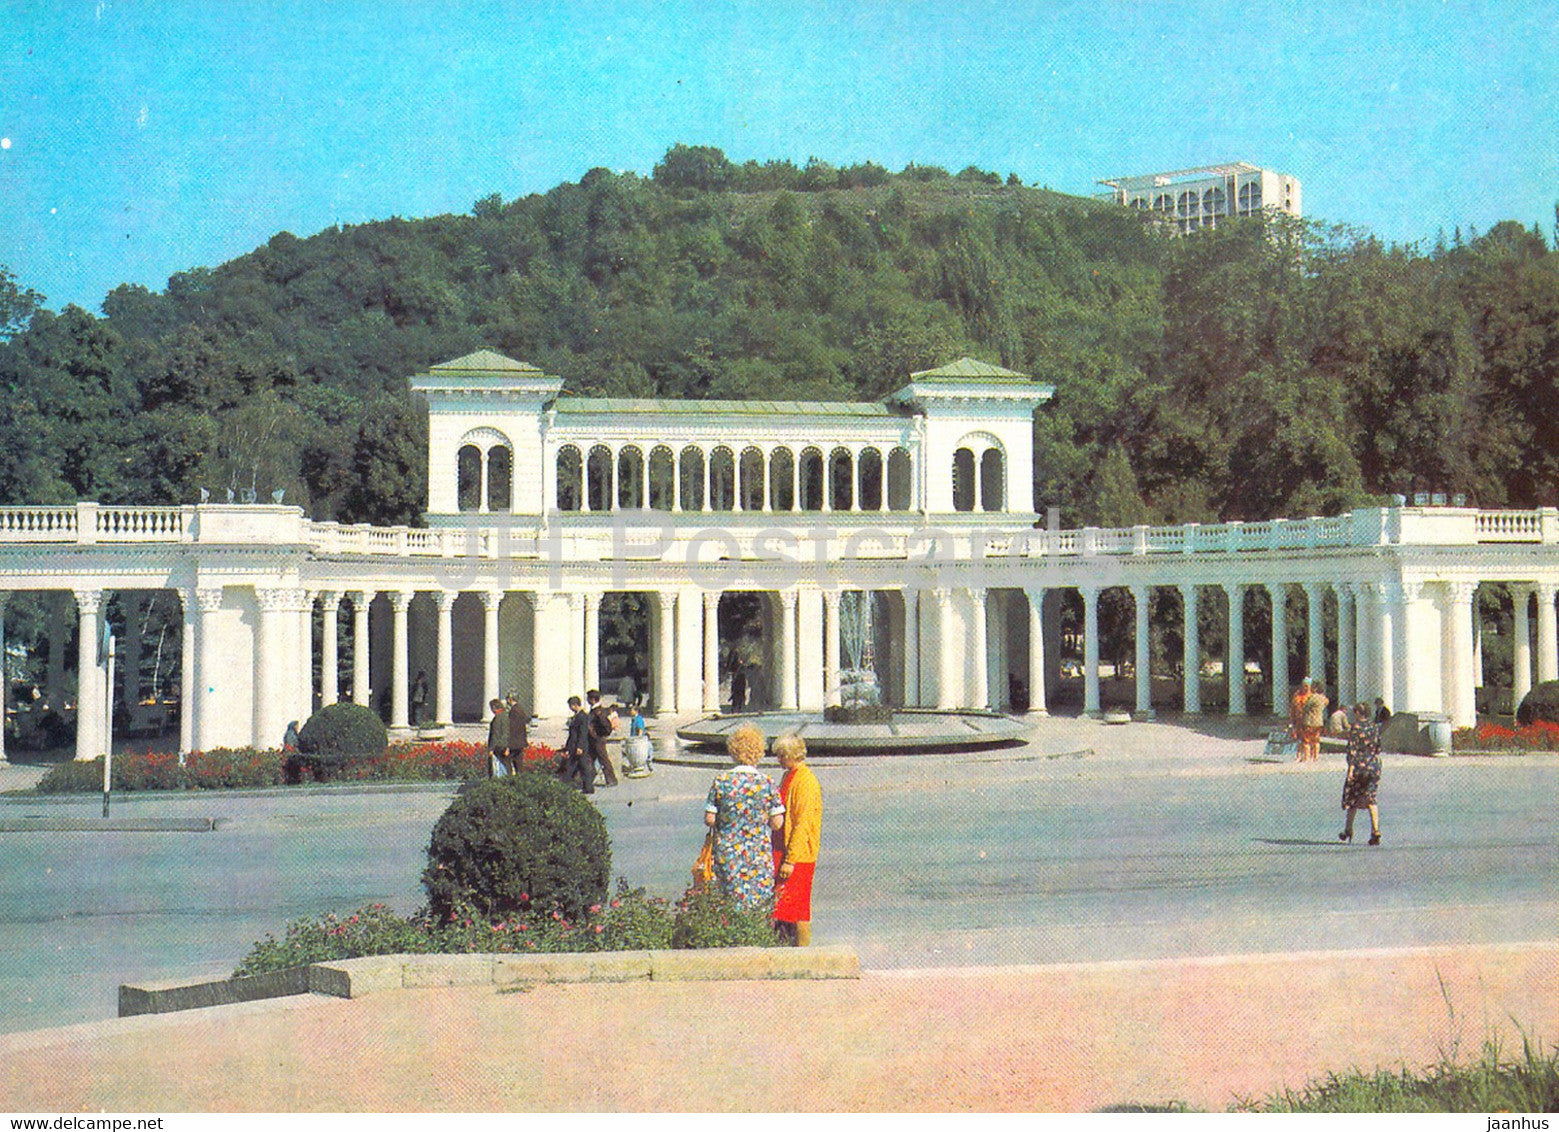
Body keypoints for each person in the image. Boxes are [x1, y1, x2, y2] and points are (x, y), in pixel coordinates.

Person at [703, 724, 785, 911]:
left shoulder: (721, 780)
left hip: (727, 852)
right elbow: (777, 823)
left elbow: (709, 819)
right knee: (757, 904)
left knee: (728, 903)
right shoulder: (767, 782)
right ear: (759, 751)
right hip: (758, 855)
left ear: (733, 750)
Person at [771, 732, 821, 947]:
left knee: (798, 911)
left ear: (792, 754)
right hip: (781, 848)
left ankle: (803, 954)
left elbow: (802, 823)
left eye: (781, 755)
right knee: (782, 909)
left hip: (797, 855)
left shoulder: (805, 781)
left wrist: (790, 860)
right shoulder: (789, 775)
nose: (778, 760)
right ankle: (787, 949)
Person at [1340, 702, 1383, 845]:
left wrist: (1350, 769)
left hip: (1359, 767)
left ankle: (1348, 829)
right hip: (1373, 766)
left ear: (1359, 713)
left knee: (1352, 798)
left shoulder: (1356, 728)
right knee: (1371, 798)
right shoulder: (1375, 728)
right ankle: (1375, 830)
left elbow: (1352, 749)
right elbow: (1378, 748)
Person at [586, 689, 618, 788]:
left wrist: (596, 734)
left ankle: (611, 779)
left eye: (588, 698)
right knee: (589, 759)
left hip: (598, 740)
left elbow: (604, 725)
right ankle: (587, 780)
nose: (587, 700)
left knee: (603, 759)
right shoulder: (596, 710)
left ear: (592, 699)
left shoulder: (598, 711)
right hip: (594, 739)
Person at [562, 696, 593, 793]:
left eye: (571, 706)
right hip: (573, 745)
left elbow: (583, 733)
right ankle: (586, 787)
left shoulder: (583, 716)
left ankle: (587, 787)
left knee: (580, 766)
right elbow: (572, 733)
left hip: (579, 746)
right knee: (577, 766)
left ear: (575, 705)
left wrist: (580, 747)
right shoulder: (577, 716)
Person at [1300, 679, 1329, 762]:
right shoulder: (1323, 698)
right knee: (1316, 740)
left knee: (1307, 741)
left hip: (1309, 721)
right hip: (1319, 721)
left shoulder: (1312, 697)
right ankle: (1316, 757)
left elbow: (1305, 708)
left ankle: (1307, 758)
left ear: (1315, 688)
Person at [486, 698, 509, 777]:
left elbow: (495, 735)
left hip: (498, 747)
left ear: (494, 708)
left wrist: (491, 749)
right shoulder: (506, 716)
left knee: (497, 769)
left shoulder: (497, 718)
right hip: (505, 745)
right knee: (505, 767)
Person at [506, 694, 529, 769]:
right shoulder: (519, 708)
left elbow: (513, 727)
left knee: (508, 761)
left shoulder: (514, 710)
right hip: (519, 741)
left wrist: (508, 742)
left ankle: (511, 778)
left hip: (515, 741)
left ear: (510, 699)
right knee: (518, 763)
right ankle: (519, 778)